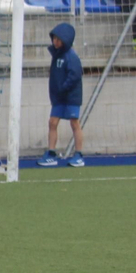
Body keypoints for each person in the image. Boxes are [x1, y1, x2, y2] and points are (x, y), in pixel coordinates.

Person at [37, 22, 84, 167]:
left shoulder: (71, 56)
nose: (55, 42)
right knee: (52, 122)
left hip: (70, 97)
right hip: (59, 97)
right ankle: (51, 153)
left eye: (58, 39)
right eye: (54, 39)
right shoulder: (56, 56)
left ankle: (79, 155)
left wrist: (64, 88)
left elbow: (75, 74)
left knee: (74, 123)